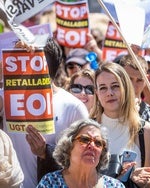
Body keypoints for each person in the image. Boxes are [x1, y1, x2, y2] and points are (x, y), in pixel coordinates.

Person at [6, 38, 89, 187]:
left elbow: (85, 162)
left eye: (28, 59)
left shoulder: (73, 107)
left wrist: (46, 153)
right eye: (17, 58)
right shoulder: (5, 99)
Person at [90, 62, 150, 187]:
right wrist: (116, 177)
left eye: (115, 86)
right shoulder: (87, 129)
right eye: (103, 88)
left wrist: (140, 180)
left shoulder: (145, 130)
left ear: (126, 88)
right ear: (97, 93)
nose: (109, 93)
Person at [37, 118, 124, 187]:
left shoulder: (114, 186)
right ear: (68, 146)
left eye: (98, 143)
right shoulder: (50, 182)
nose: (92, 146)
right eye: (85, 139)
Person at [118, 54, 150, 141]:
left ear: (146, 79)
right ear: (119, 77)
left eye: (139, 80)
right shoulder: (106, 111)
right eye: (129, 79)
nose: (133, 85)